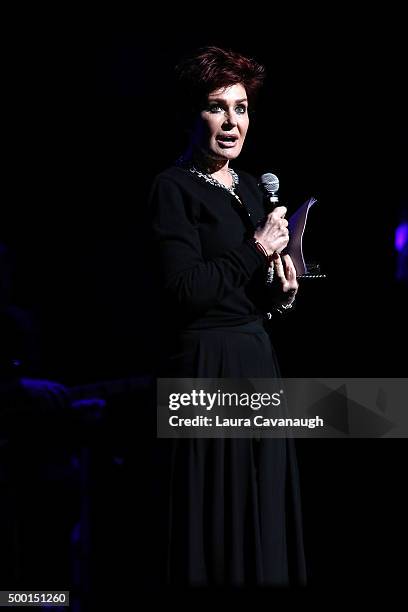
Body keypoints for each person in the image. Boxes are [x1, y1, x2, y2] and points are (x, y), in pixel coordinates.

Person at [149, 46, 306, 586]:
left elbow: (237, 292)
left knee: (260, 518)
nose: (231, 122)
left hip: (254, 359)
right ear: (192, 114)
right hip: (206, 367)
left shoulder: (246, 188)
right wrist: (258, 249)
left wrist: (277, 296)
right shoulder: (173, 188)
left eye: (241, 108)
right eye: (217, 107)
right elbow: (186, 291)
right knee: (215, 528)